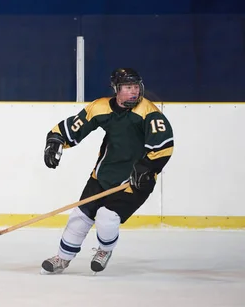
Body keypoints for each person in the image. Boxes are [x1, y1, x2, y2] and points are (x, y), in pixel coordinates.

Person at [41, 68, 174, 274]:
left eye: (136, 87)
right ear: (116, 89)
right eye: (128, 87)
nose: (134, 92)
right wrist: (56, 140)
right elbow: (77, 125)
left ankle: (104, 251)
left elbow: (163, 146)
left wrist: (147, 168)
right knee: (79, 217)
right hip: (103, 175)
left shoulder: (149, 113)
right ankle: (62, 259)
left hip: (135, 180)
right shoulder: (101, 107)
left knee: (107, 217)